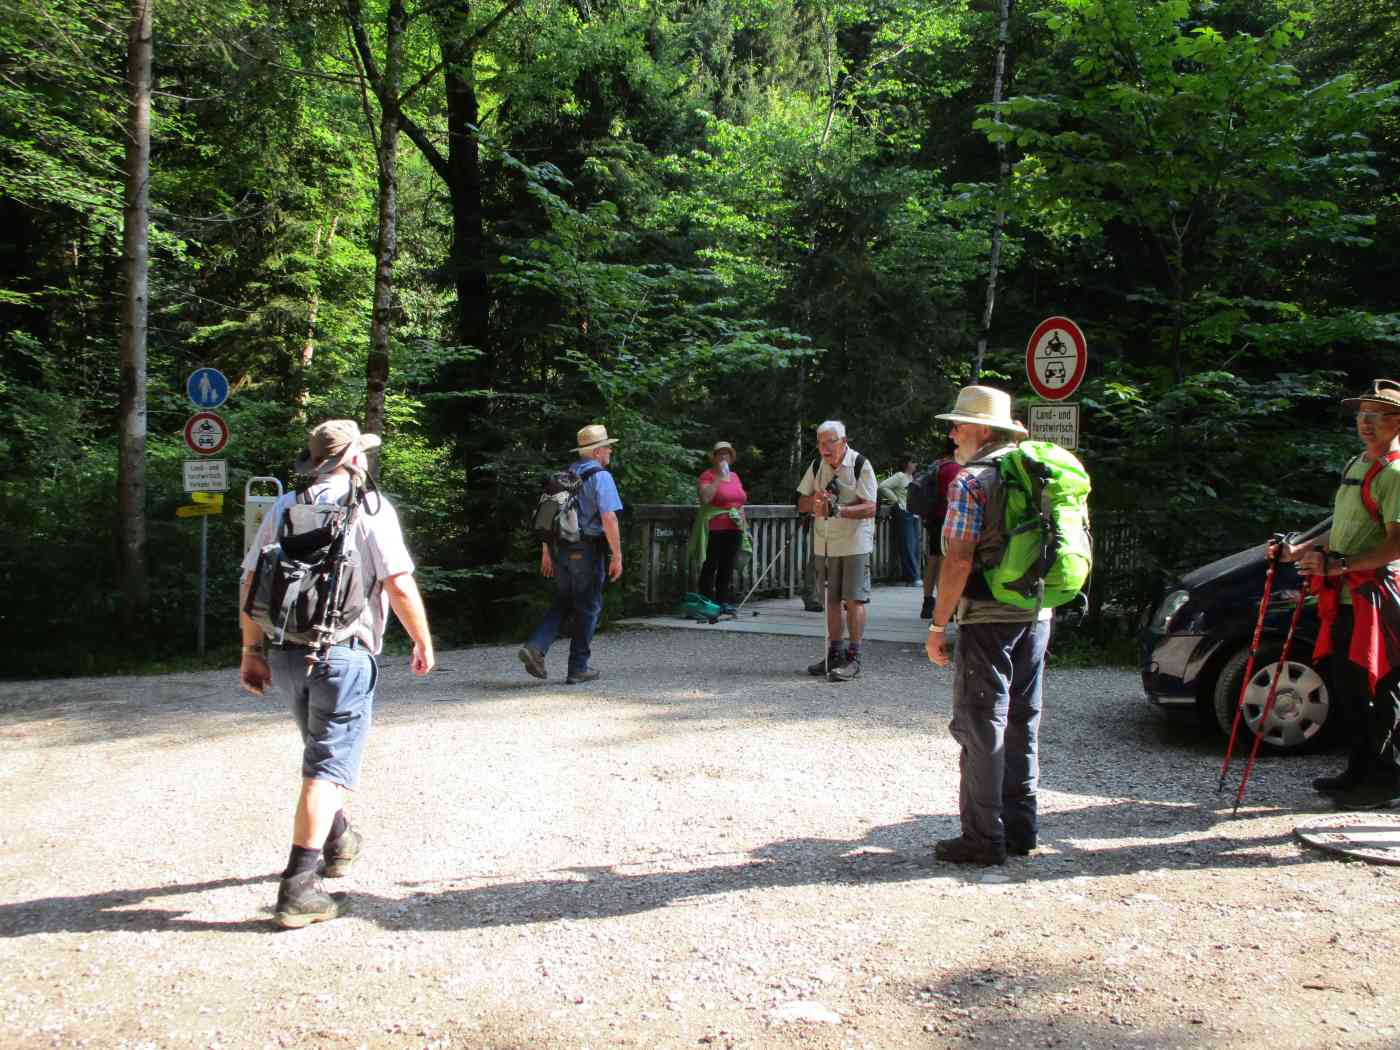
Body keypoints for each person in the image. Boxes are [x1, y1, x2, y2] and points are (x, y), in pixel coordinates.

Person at [239, 420, 435, 928]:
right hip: (342, 653)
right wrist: (421, 639)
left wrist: (250, 650)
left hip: (286, 653)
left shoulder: (284, 507)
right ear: (352, 460)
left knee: (320, 751)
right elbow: (398, 582)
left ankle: (339, 839)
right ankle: (300, 887)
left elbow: (251, 580)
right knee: (326, 769)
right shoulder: (370, 508)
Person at [924, 386, 1049, 866]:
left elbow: (957, 560)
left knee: (982, 725)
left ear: (981, 430)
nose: (953, 434)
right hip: (1037, 613)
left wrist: (938, 626)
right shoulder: (1037, 471)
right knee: (1022, 720)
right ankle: (1020, 828)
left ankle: (983, 837)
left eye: (958, 425)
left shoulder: (972, 481)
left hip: (988, 616)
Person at [1283, 379, 1400, 809]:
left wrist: (1340, 566)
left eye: (1377, 415)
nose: (1366, 423)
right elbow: (1345, 528)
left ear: (1398, 422)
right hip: (1347, 598)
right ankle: (1358, 772)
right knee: (1351, 689)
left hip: (1378, 600)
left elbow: (1396, 545)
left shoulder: (1395, 473)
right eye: (1362, 414)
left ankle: (1386, 780)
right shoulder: (1357, 465)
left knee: (1380, 688)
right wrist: (1302, 549)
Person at [519, 424, 624, 685]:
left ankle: (536, 647)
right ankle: (578, 668)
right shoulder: (601, 476)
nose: (610, 451)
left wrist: (546, 551)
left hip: (560, 549)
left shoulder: (567, 474)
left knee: (565, 600)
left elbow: (548, 517)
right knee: (588, 606)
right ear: (597, 451)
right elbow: (609, 518)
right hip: (587, 550)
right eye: (607, 447)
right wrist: (617, 555)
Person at [796, 420, 878, 679]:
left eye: (830, 442)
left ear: (843, 441)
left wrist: (838, 509)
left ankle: (854, 658)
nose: (824, 448)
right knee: (830, 601)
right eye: (820, 443)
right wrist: (815, 502)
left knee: (854, 600)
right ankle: (835, 654)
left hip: (855, 542)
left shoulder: (860, 464)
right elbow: (801, 502)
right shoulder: (816, 466)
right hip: (825, 543)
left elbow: (871, 507)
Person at [694, 440, 749, 613]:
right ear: (714, 457)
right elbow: (705, 498)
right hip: (714, 527)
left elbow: (740, 502)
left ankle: (722, 601)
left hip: (734, 526)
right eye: (720, 453)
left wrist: (744, 526)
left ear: (731, 458)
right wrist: (718, 477)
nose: (724, 456)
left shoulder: (735, 477)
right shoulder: (707, 476)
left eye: (727, 454)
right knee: (711, 564)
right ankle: (705, 601)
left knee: (727, 565)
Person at [919, 441, 962, 620]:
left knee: (933, 558)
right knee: (945, 561)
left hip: (933, 518)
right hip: (948, 518)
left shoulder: (937, 465)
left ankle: (927, 602)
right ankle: (946, 606)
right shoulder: (955, 468)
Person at [878, 452, 922, 586]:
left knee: (915, 545)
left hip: (913, 514)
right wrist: (895, 499)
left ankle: (912, 575)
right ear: (906, 463)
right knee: (908, 545)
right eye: (913, 462)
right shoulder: (900, 476)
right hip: (903, 512)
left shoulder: (913, 478)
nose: (915, 464)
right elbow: (882, 486)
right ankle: (912, 577)